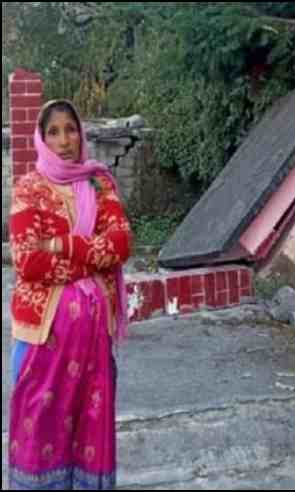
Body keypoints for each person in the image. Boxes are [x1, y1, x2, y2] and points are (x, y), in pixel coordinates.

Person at [7, 99, 132, 490]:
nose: (65, 140)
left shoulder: (99, 184)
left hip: (94, 341)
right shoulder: (29, 188)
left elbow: (120, 243)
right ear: (42, 140)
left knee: (88, 429)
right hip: (43, 338)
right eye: (54, 132)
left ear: (81, 133)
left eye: (70, 129)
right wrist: (91, 254)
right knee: (39, 430)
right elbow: (28, 261)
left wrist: (63, 246)